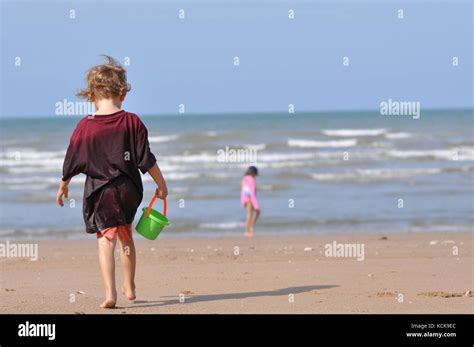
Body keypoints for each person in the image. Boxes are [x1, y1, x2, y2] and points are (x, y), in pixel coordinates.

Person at [56, 56, 168, 308]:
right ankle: (130, 285)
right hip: (128, 190)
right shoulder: (132, 122)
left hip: (100, 192)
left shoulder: (85, 126)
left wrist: (64, 184)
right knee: (126, 236)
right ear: (122, 94)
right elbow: (145, 159)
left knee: (106, 240)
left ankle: (110, 294)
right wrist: (162, 185)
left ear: (91, 97)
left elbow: (73, 159)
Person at [241, 166, 260, 237]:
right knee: (252, 213)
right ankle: (248, 230)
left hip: (245, 198)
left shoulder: (245, 179)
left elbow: (244, 190)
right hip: (250, 199)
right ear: (253, 173)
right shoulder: (251, 179)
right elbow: (251, 192)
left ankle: (249, 229)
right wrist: (255, 203)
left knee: (250, 214)